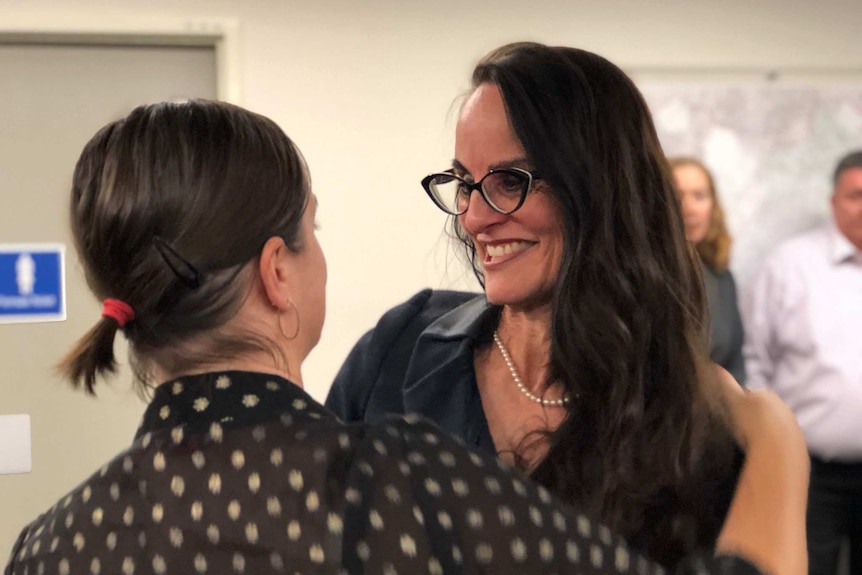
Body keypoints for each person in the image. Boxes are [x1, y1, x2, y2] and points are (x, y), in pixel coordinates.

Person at [1, 99, 805, 575]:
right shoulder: (409, 484)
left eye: (507, 180)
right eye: (312, 232)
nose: (477, 212)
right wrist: (775, 439)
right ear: (277, 273)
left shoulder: (48, 544)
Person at [327, 42, 748, 568]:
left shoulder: (693, 411)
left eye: (510, 181)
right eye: (463, 183)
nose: (475, 218)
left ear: (598, 188)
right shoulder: (398, 348)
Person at [744, 149, 862, 575]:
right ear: (834, 202)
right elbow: (755, 361)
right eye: (856, 195)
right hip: (813, 475)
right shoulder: (790, 266)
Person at [668, 157, 746, 384]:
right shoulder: (639, 275)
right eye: (677, 195)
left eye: (699, 196)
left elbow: (735, 361)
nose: (688, 207)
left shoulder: (722, 277)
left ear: (713, 205)